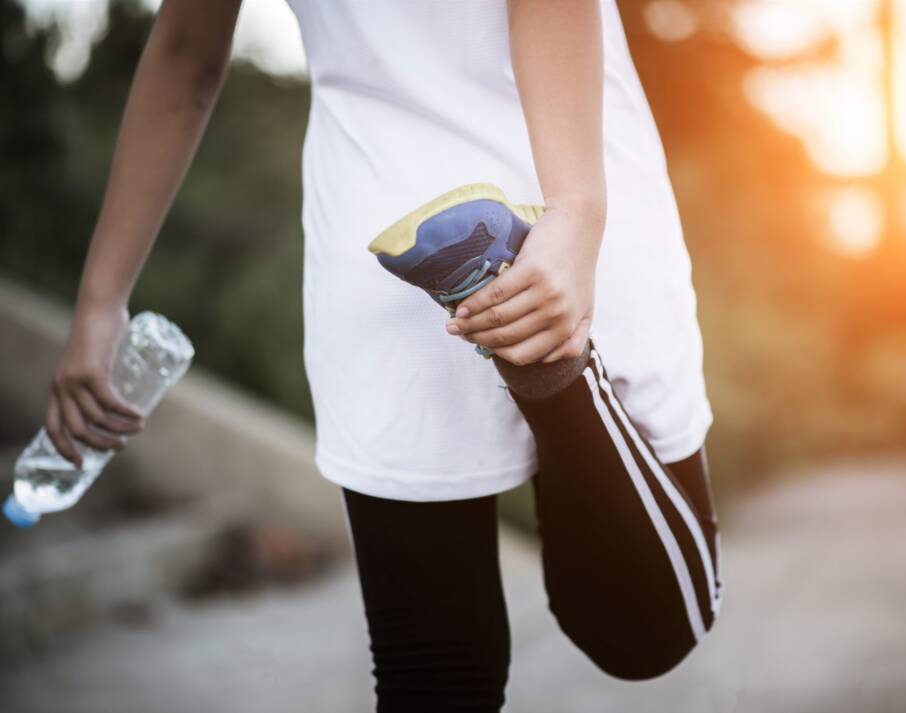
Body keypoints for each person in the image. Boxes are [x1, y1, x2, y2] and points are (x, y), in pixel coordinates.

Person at [44, 1, 722, 710]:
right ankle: (545, 356)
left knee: (447, 679)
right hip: (550, 189)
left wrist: (99, 300)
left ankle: (536, 352)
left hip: (424, 225)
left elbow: (186, 53)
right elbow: (188, 47)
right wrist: (577, 210)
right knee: (627, 634)